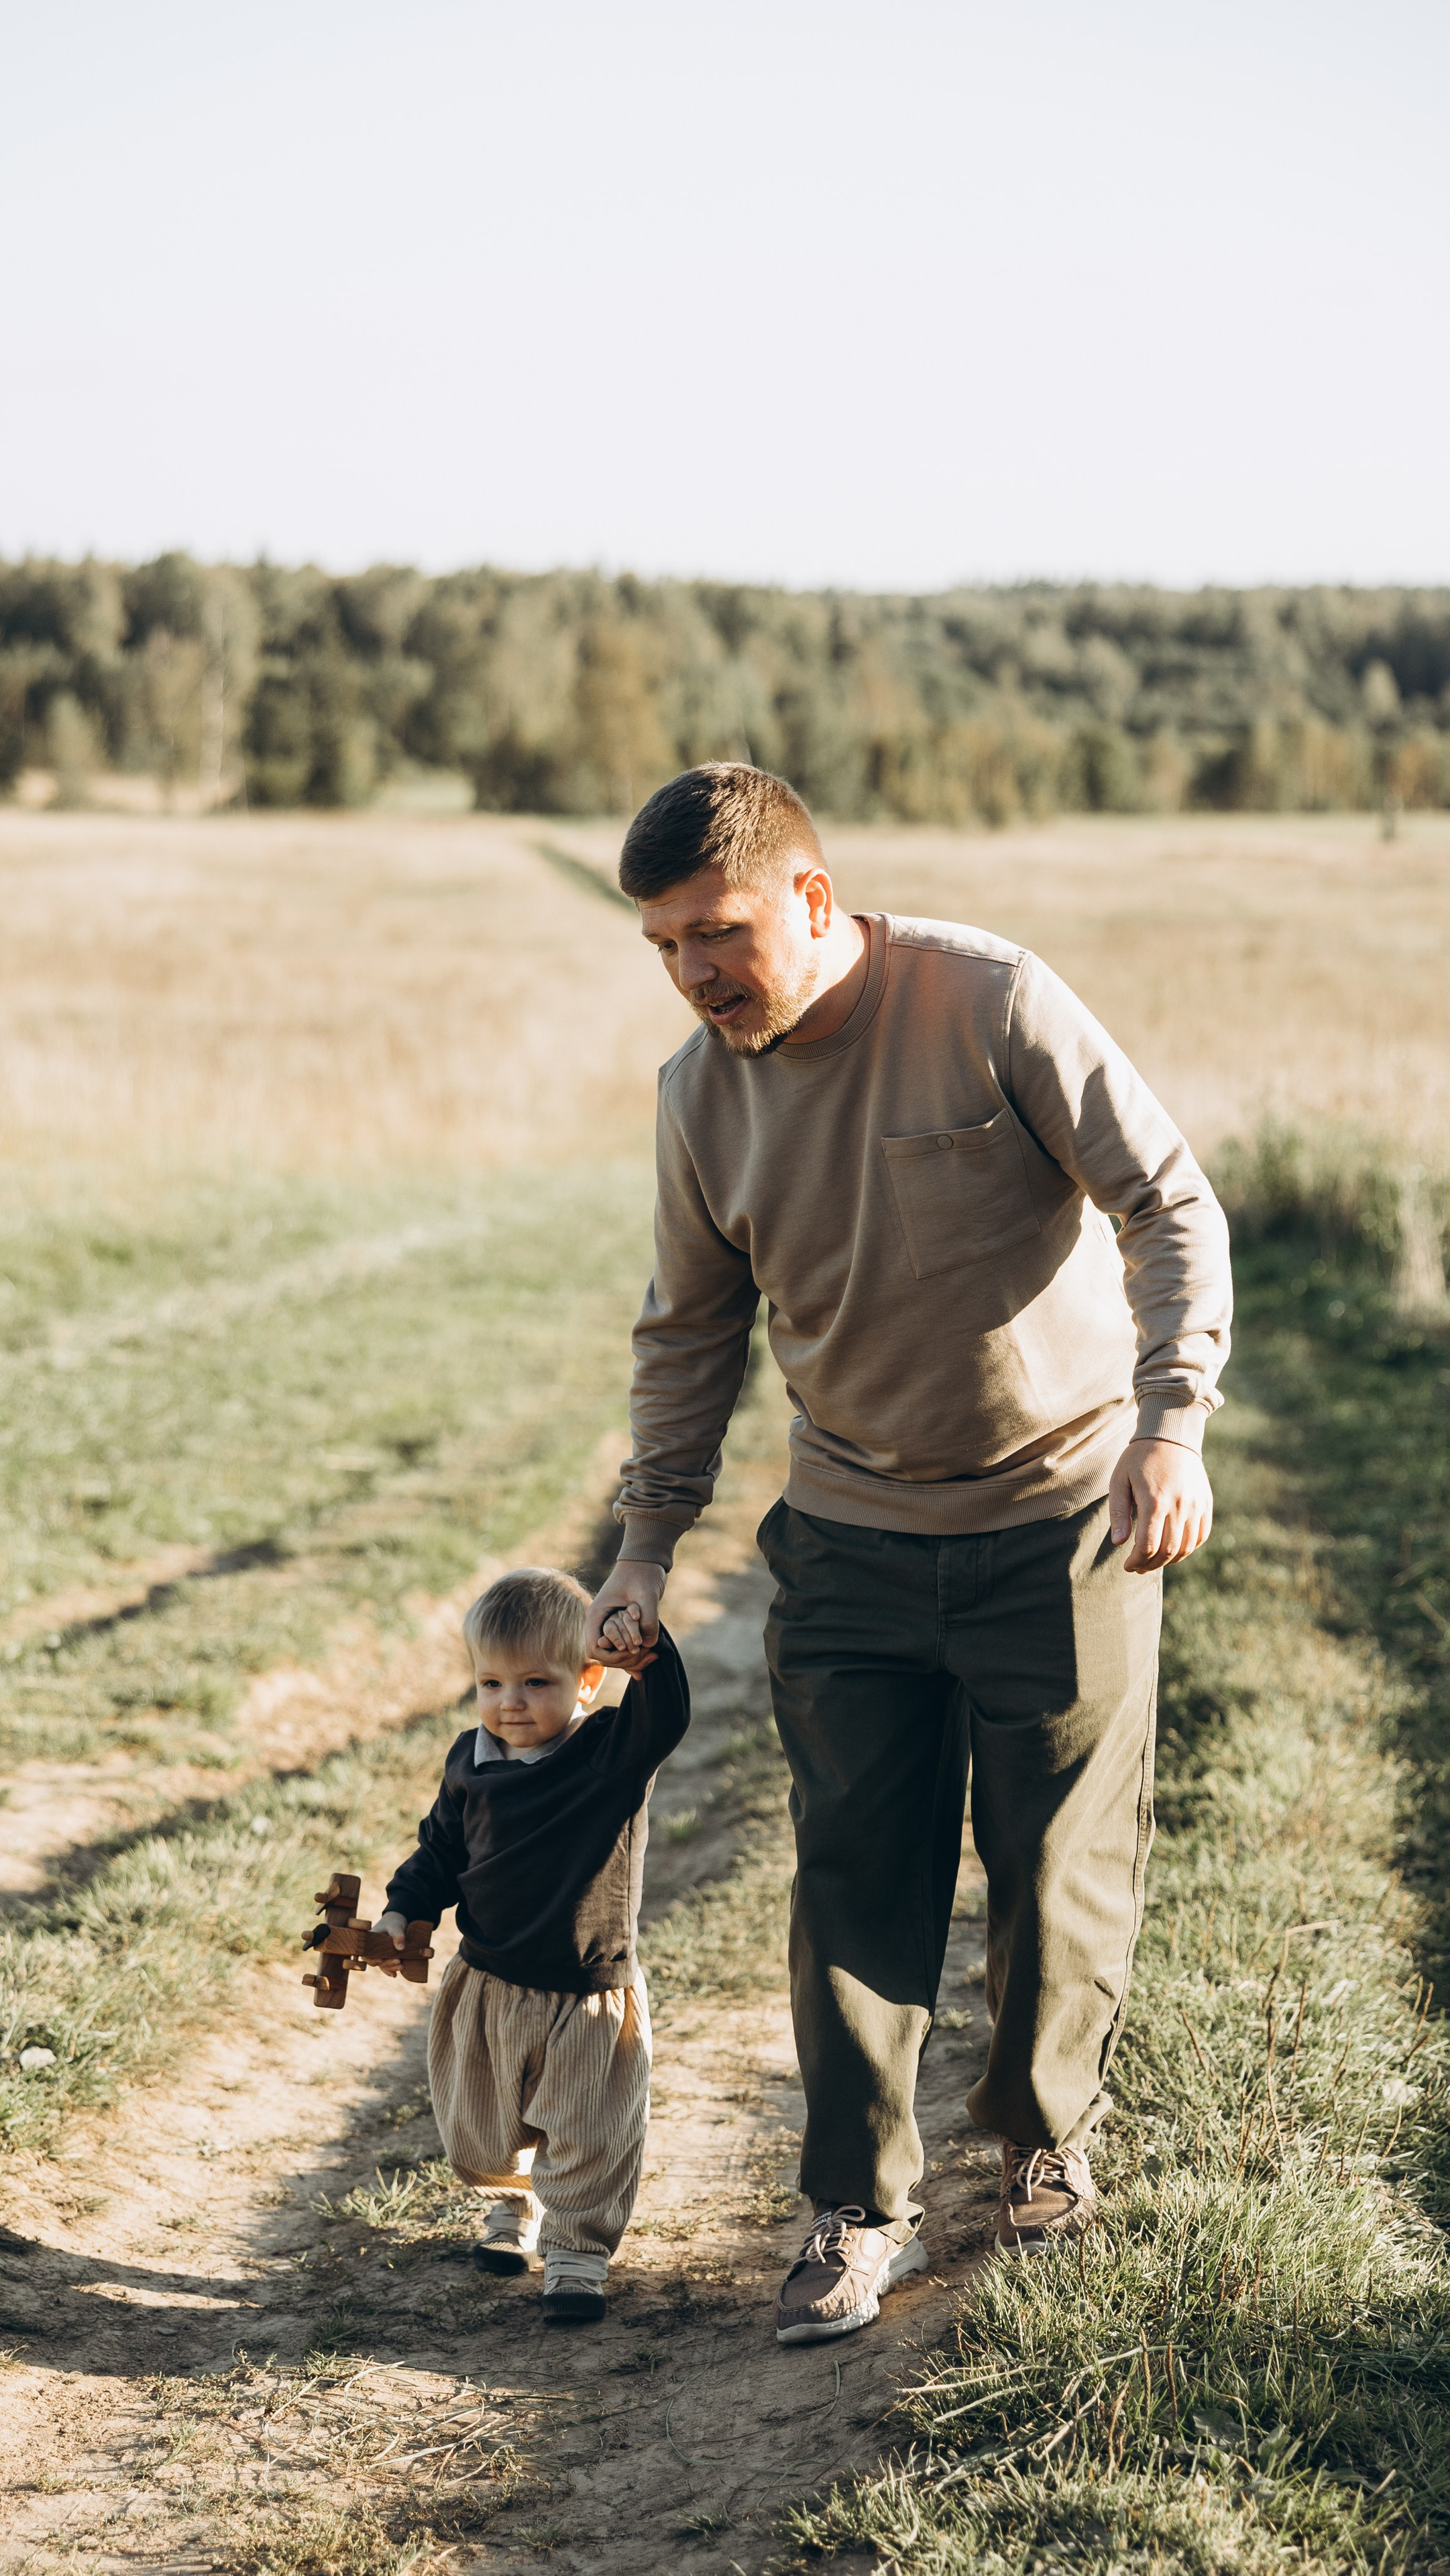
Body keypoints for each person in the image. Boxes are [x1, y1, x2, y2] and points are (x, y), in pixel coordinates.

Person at [586, 763, 1231, 2349]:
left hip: (1063, 1516)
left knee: (1051, 1871)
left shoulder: (988, 1000)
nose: (695, 970)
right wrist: (643, 1543)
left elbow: (1165, 1202)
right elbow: (686, 1333)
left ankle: (1038, 2142)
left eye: (718, 930)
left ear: (811, 898)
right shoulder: (697, 1093)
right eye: (664, 944)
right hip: (854, 1541)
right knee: (854, 1876)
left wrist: (1169, 1422)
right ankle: (849, 2206)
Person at [373, 1565, 689, 2324]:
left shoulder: (611, 1756)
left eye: (535, 1684)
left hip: (587, 1988)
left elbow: (667, 1713)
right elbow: (438, 1853)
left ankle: (578, 2252)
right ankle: (512, 2208)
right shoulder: (469, 1762)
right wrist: (398, 1913)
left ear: (587, 1682)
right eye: (490, 1684)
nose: (509, 1703)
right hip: (488, 1981)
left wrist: (645, 1651)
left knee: (587, 2126)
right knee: (480, 2123)